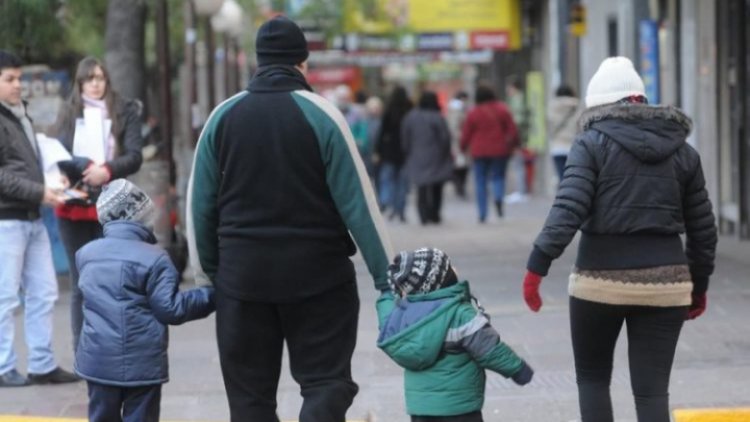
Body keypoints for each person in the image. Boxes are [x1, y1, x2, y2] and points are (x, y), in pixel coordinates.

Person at [186, 16, 393, 422]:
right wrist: (387, 279)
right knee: (326, 384)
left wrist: (211, 276)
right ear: (303, 64)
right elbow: (360, 206)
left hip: (243, 279)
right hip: (318, 278)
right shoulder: (323, 115)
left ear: (258, 63)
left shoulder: (221, 118)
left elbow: (200, 208)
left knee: (249, 399)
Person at [522, 57, 717, 422]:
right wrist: (699, 286)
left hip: (599, 281)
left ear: (597, 106)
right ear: (641, 100)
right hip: (666, 284)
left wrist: (538, 265)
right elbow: (704, 230)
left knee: (593, 380)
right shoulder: (684, 151)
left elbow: (569, 207)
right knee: (652, 391)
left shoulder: (590, 144)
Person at [75, 179, 214, 421]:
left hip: (97, 361)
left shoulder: (85, 254)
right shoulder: (156, 258)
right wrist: (211, 295)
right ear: (141, 216)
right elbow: (171, 309)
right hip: (141, 364)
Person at [52, 56, 144, 351]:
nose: (94, 84)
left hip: (112, 203)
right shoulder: (67, 113)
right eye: (88, 79)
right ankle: (84, 349)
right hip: (74, 206)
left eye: (99, 78)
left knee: (112, 279)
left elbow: (134, 155)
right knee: (82, 281)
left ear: (107, 80)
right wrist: (81, 168)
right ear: (79, 84)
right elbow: (58, 154)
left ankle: (113, 346)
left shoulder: (125, 110)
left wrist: (107, 169)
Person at [377, 247, 534, 422]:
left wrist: (386, 294)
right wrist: (517, 369)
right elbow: (489, 349)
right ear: (440, 279)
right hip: (459, 409)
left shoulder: (402, 315)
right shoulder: (459, 313)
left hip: (421, 409)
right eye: (450, 266)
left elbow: (386, 311)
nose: (455, 268)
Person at [0, 50, 78, 387]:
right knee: (4, 298)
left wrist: (49, 183)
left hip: (32, 217)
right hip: (6, 220)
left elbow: (23, 165)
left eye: (19, 78)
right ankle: (3, 368)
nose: (18, 85)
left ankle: (43, 364)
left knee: (45, 292)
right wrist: (39, 192)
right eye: (10, 79)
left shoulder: (19, 115)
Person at [460, 85, 518, 223]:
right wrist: (514, 144)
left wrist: (462, 147)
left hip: (479, 150)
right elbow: (512, 129)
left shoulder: (473, 112)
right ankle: (498, 198)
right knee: (498, 177)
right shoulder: (502, 108)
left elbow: (466, 133)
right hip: (500, 149)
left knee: (480, 181)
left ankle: (482, 213)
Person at [401, 91, 453, 225]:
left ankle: (423, 214)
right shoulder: (437, 117)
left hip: (416, 155)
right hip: (436, 156)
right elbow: (445, 138)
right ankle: (434, 213)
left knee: (421, 187)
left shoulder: (410, 117)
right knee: (437, 186)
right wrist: (445, 152)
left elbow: (405, 137)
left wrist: (408, 152)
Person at [374, 85, 412, 222]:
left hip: (389, 150)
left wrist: (377, 150)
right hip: (405, 151)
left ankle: (386, 202)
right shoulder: (410, 109)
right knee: (402, 183)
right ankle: (400, 210)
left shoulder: (389, 110)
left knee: (388, 179)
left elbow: (382, 132)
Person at [504, 77, 533, 203]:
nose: (507, 90)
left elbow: (517, 120)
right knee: (518, 164)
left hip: (518, 138)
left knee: (518, 164)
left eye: (509, 87)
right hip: (520, 137)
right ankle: (521, 191)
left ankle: (521, 191)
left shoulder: (517, 99)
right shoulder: (519, 98)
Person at [547, 85, 580, 182]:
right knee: (574, 178)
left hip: (557, 148)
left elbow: (549, 127)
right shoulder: (577, 107)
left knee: (561, 177)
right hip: (573, 147)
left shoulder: (552, 107)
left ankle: (563, 196)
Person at [447, 91, 470, 198]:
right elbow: (454, 126)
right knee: (461, 165)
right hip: (459, 141)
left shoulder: (453, 108)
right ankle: (459, 186)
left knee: (459, 165)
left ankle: (459, 186)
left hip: (458, 141)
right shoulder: (458, 109)